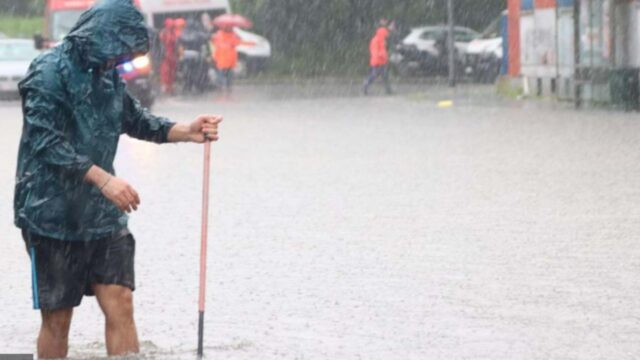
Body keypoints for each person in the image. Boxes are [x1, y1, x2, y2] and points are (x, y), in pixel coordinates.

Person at [13, 0, 222, 358]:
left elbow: (136, 120)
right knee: (59, 319)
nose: (119, 62)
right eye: (117, 53)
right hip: (51, 214)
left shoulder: (107, 75)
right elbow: (45, 141)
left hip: (101, 214)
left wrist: (185, 131)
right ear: (98, 39)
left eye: (125, 56)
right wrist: (105, 180)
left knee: (121, 303)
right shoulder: (47, 73)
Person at [178, 19, 210, 93]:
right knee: (198, 72)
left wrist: (181, 56)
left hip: (186, 55)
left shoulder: (182, 34)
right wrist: (207, 55)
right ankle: (198, 86)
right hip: (197, 56)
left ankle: (187, 85)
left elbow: (180, 46)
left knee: (187, 72)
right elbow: (205, 45)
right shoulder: (200, 35)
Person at [363, 19, 393, 96]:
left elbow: (381, 51)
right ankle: (366, 85)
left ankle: (388, 90)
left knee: (384, 76)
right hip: (378, 62)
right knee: (374, 76)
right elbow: (377, 51)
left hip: (380, 61)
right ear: (382, 33)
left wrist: (384, 57)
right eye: (385, 33)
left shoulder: (380, 40)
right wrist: (383, 57)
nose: (387, 35)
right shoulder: (378, 40)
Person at [212, 26, 242, 92]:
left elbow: (215, 43)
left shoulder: (219, 34)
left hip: (224, 59)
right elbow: (236, 43)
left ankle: (222, 88)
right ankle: (225, 88)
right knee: (226, 76)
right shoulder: (232, 35)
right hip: (226, 58)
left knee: (223, 75)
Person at [160, 18, 178, 94]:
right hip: (166, 55)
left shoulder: (173, 33)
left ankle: (170, 87)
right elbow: (161, 44)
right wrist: (164, 53)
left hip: (172, 55)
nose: (171, 26)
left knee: (172, 72)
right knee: (166, 72)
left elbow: (176, 44)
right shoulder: (164, 33)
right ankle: (166, 86)